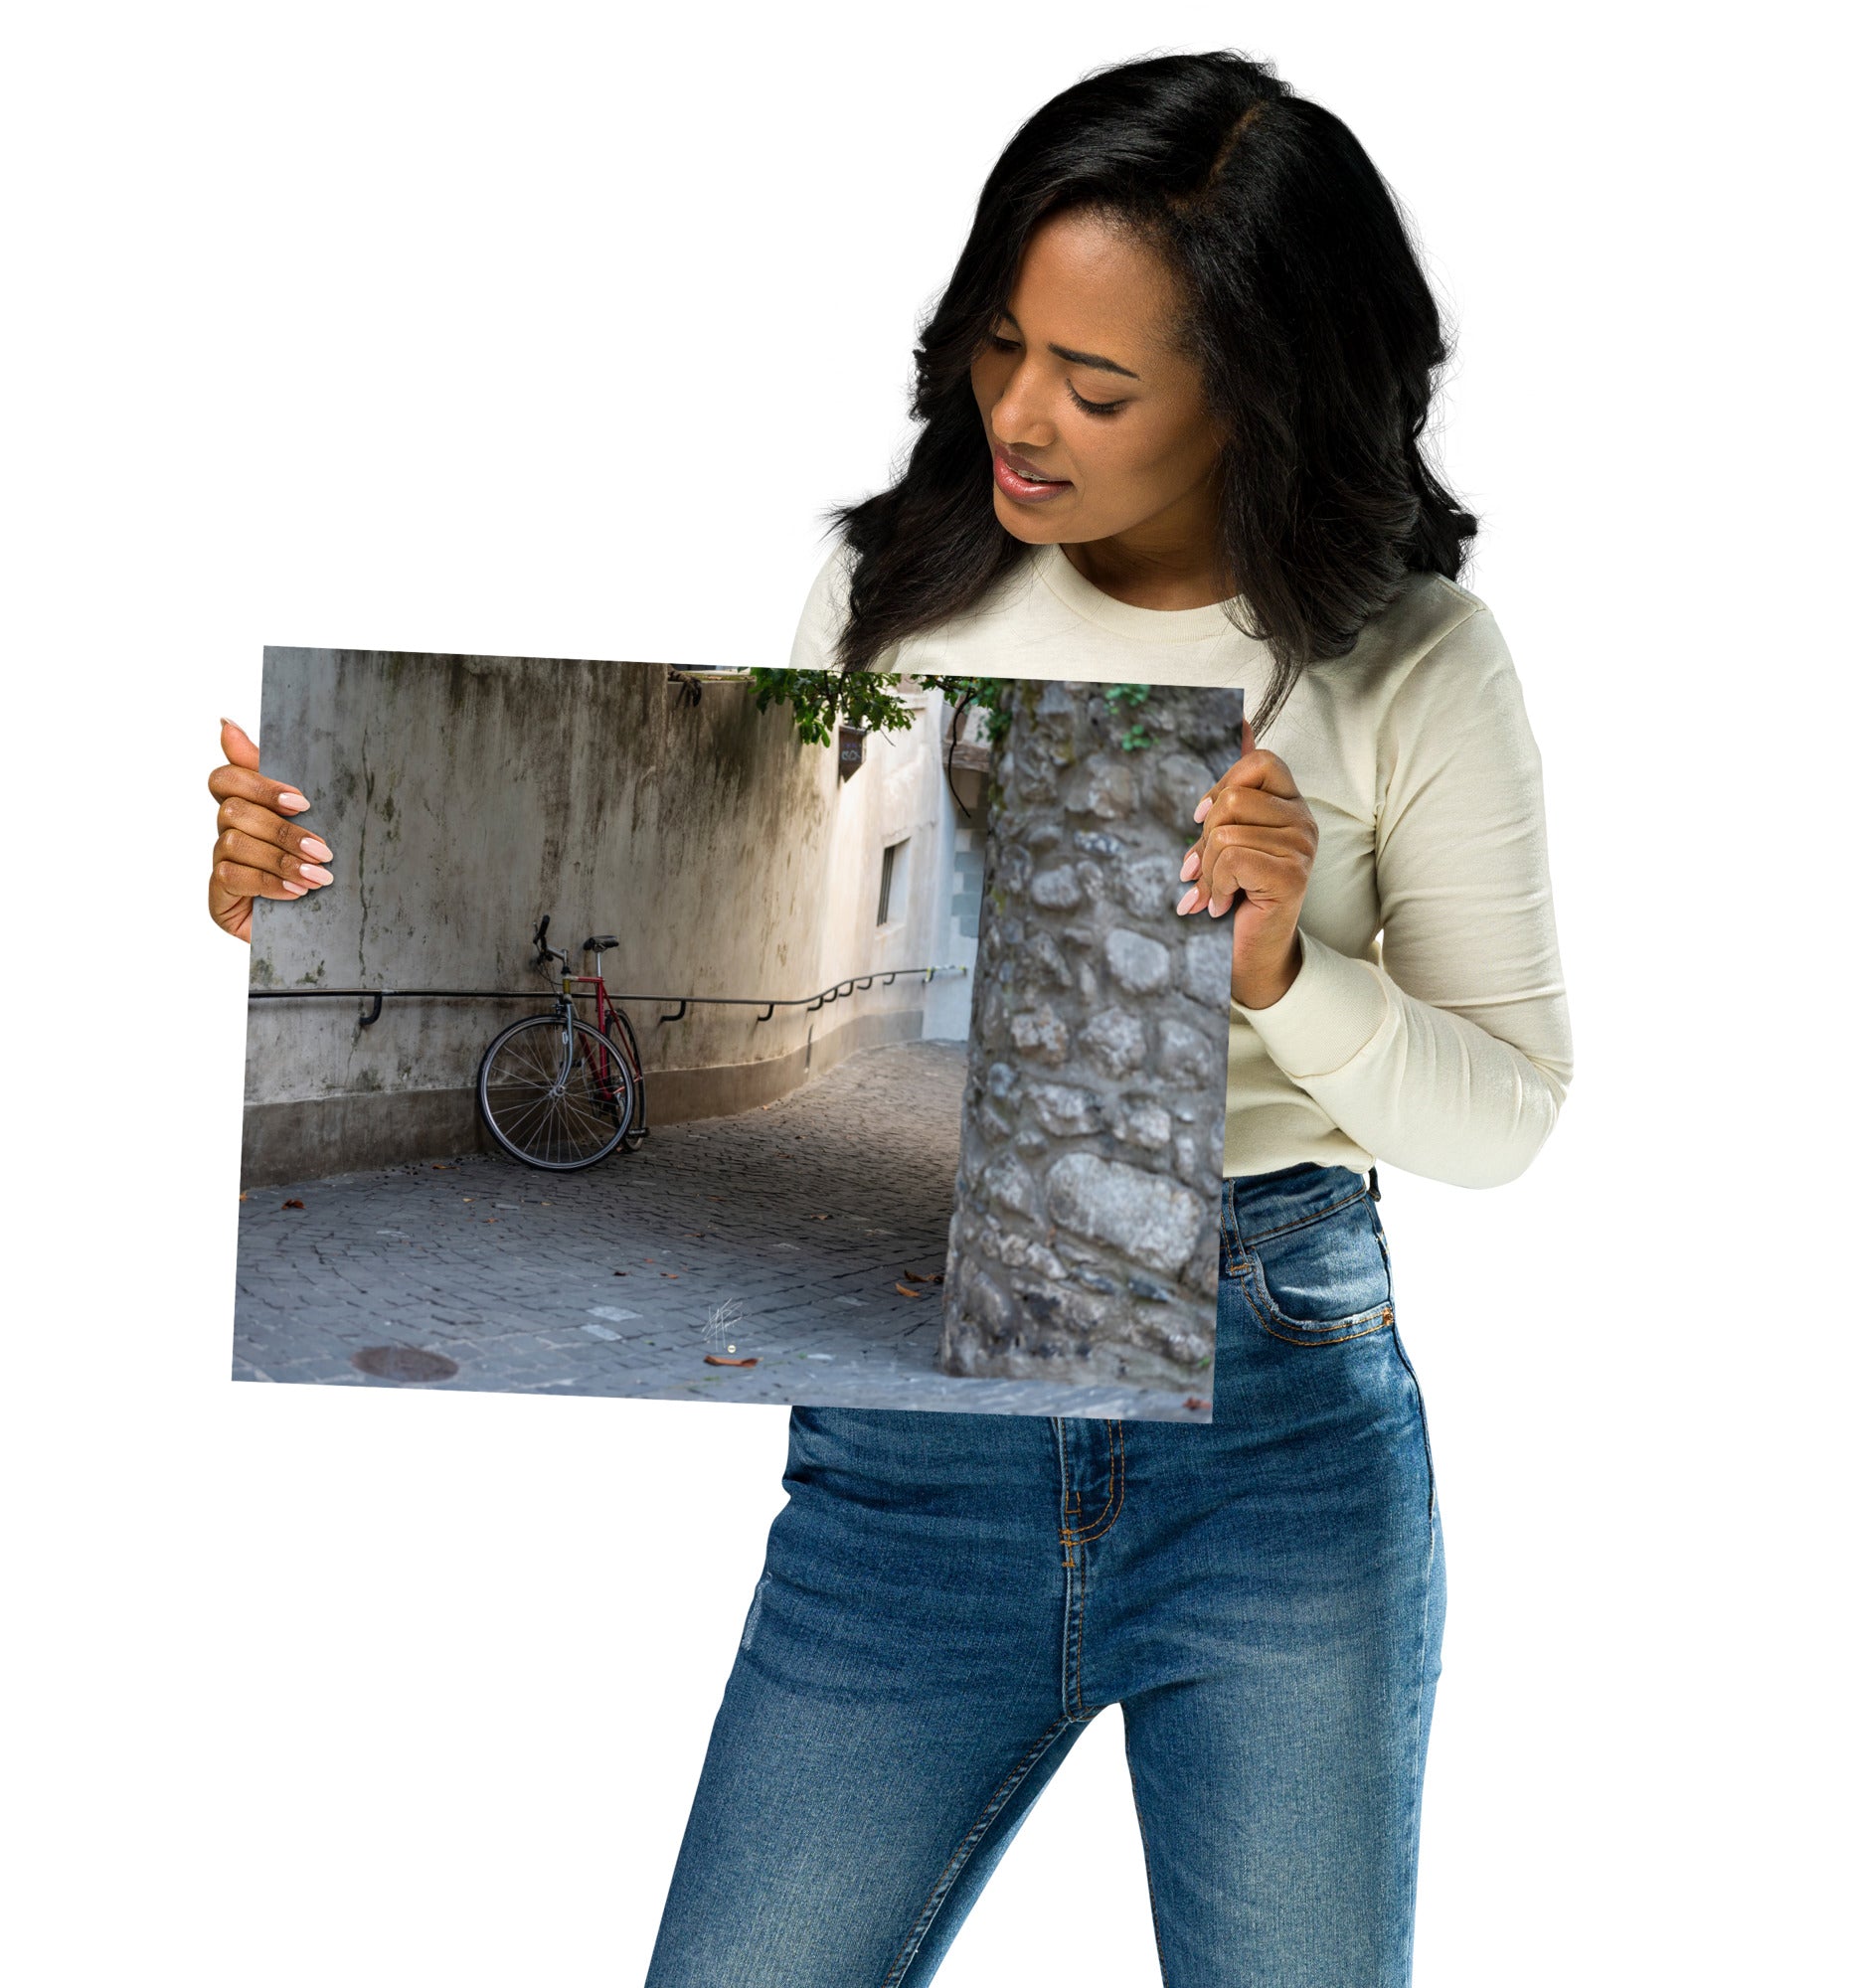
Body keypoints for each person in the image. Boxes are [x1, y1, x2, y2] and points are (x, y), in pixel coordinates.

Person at [207, 50, 1573, 1988]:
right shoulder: (884, 592)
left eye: (1096, 385)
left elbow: (1508, 1112)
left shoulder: (1409, 658)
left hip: (1269, 1425)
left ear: (1259, 391)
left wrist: (1284, 970)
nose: (1020, 412)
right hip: (910, 1463)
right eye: (1001, 344)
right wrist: (292, 889)